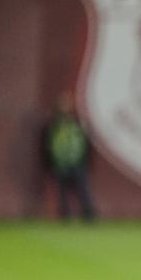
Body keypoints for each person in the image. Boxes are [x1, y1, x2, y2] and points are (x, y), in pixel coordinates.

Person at [44, 92, 96, 221]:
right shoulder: (54, 124)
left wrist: (86, 160)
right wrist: (50, 162)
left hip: (77, 163)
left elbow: (85, 143)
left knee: (83, 191)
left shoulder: (77, 123)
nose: (65, 109)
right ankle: (65, 215)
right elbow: (47, 144)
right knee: (62, 193)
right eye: (63, 106)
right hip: (60, 163)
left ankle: (88, 214)